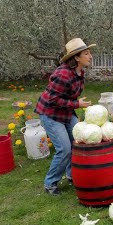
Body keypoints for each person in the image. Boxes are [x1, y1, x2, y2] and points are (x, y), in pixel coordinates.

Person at [35, 38, 95, 195]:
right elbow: (53, 99)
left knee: (77, 141)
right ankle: (50, 183)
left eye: (90, 53)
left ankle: (71, 174)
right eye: (86, 53)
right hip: (51, 115)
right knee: (65, 149)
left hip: (66, 113)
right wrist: (77, 104)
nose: (90, 56)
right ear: (76, 57)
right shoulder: (63, 74)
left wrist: (74, 105)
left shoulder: (80, 72)